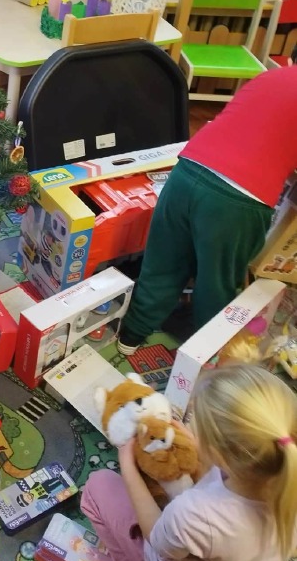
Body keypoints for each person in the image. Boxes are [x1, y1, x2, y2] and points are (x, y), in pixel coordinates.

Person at [81, 364, 297, 561]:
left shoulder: (196, 512)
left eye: (198, 425)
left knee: (98, 486)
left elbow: (156, 537)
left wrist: (127, 466)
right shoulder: (286, 484)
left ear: (219, 452)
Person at [117, 65, 297, 356]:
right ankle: (206, 354)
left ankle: (131, 335)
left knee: (163, 263)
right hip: (241, 197)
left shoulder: (271, 76)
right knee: (216, 284)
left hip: (187, 170)